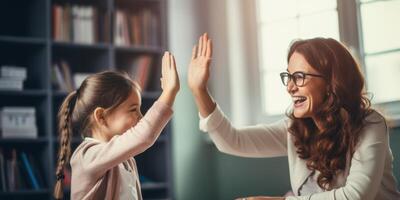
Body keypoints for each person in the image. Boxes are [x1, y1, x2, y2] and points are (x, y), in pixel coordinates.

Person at [188, 33, 400, 200]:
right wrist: (200, 91)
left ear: (331, 82)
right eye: (288, 77)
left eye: (299, 77)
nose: (289, 87)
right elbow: (232, 141)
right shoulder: (296, 128)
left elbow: (356, 196)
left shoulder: (370, 124)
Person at [53, 52, 180, 200]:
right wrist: (169, 92)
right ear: (100, 116)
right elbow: (143, 136)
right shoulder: (87, 156)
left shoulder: (126, 160)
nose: (141, 117)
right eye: (133, 110)